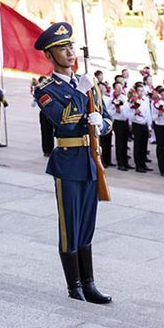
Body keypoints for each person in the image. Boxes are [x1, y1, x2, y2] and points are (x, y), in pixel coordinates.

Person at [33, 22, 113, 305]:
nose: (70, 52)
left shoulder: (87, 83)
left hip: (91, 161)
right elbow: (63, 122)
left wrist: (101, 124)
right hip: (67, 164)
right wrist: (80, 93)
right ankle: (74, 285)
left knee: (87, 225)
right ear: (49, 55)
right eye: (62, 48)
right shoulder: (45, 89)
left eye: (71, 46)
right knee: (70, 226)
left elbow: (107, 119)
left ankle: (89, 283)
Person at [31, 76, 54, 156]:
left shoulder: (50, 90)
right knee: (45, 131)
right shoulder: (39, 92)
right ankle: (46, 150)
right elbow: (33, 104)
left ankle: (52, 148)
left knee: (51, 132)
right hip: (44, 113)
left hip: (51, 113)